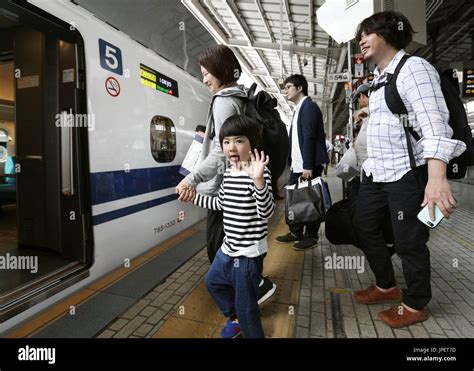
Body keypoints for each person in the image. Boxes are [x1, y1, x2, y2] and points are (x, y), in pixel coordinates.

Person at [353, 11, 466, 328]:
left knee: (409, 242)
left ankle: (415, 304)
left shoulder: (414, 69)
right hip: (377, 175)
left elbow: (434, 127)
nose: (361, 39)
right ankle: (387, 285)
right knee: (363, 224)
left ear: (389, 34)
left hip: (407, 174)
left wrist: (436, 179)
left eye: (368, 32)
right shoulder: (378, 78)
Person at [175, 45, 276, 303]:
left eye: (207, 72)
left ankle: (247, 299)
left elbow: (221, 153)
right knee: (234, 248)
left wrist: (192, 179)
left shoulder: (223, 101)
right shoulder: (240, 96)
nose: (205, 78)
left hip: (225, 184)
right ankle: (248, 291)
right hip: (239, 182)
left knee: (218, 250)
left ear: (220, 70)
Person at [190, 115, 275, 338]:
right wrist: (193, 197)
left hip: (247, 255)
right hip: (228, 249)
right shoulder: (229, 172)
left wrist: (258, 182)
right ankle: (236, 318)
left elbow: (267, 212)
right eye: (226, 142)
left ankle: (249, 328)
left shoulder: (259, 172)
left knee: (247, 307)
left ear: (252, 143)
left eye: (239, 141)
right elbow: (220, 203)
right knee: (212, 282)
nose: (231, 147)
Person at [275, 74, 329, 251]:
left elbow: (309, 138)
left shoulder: (309, 108)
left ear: (300, 88)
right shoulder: (299, 109)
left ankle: (311, 236)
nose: (286, 91)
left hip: (307, 165)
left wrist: (308, 166)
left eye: (289, 87)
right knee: (295, 200)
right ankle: (296, 232)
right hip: (297, 166)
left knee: (311, 199)